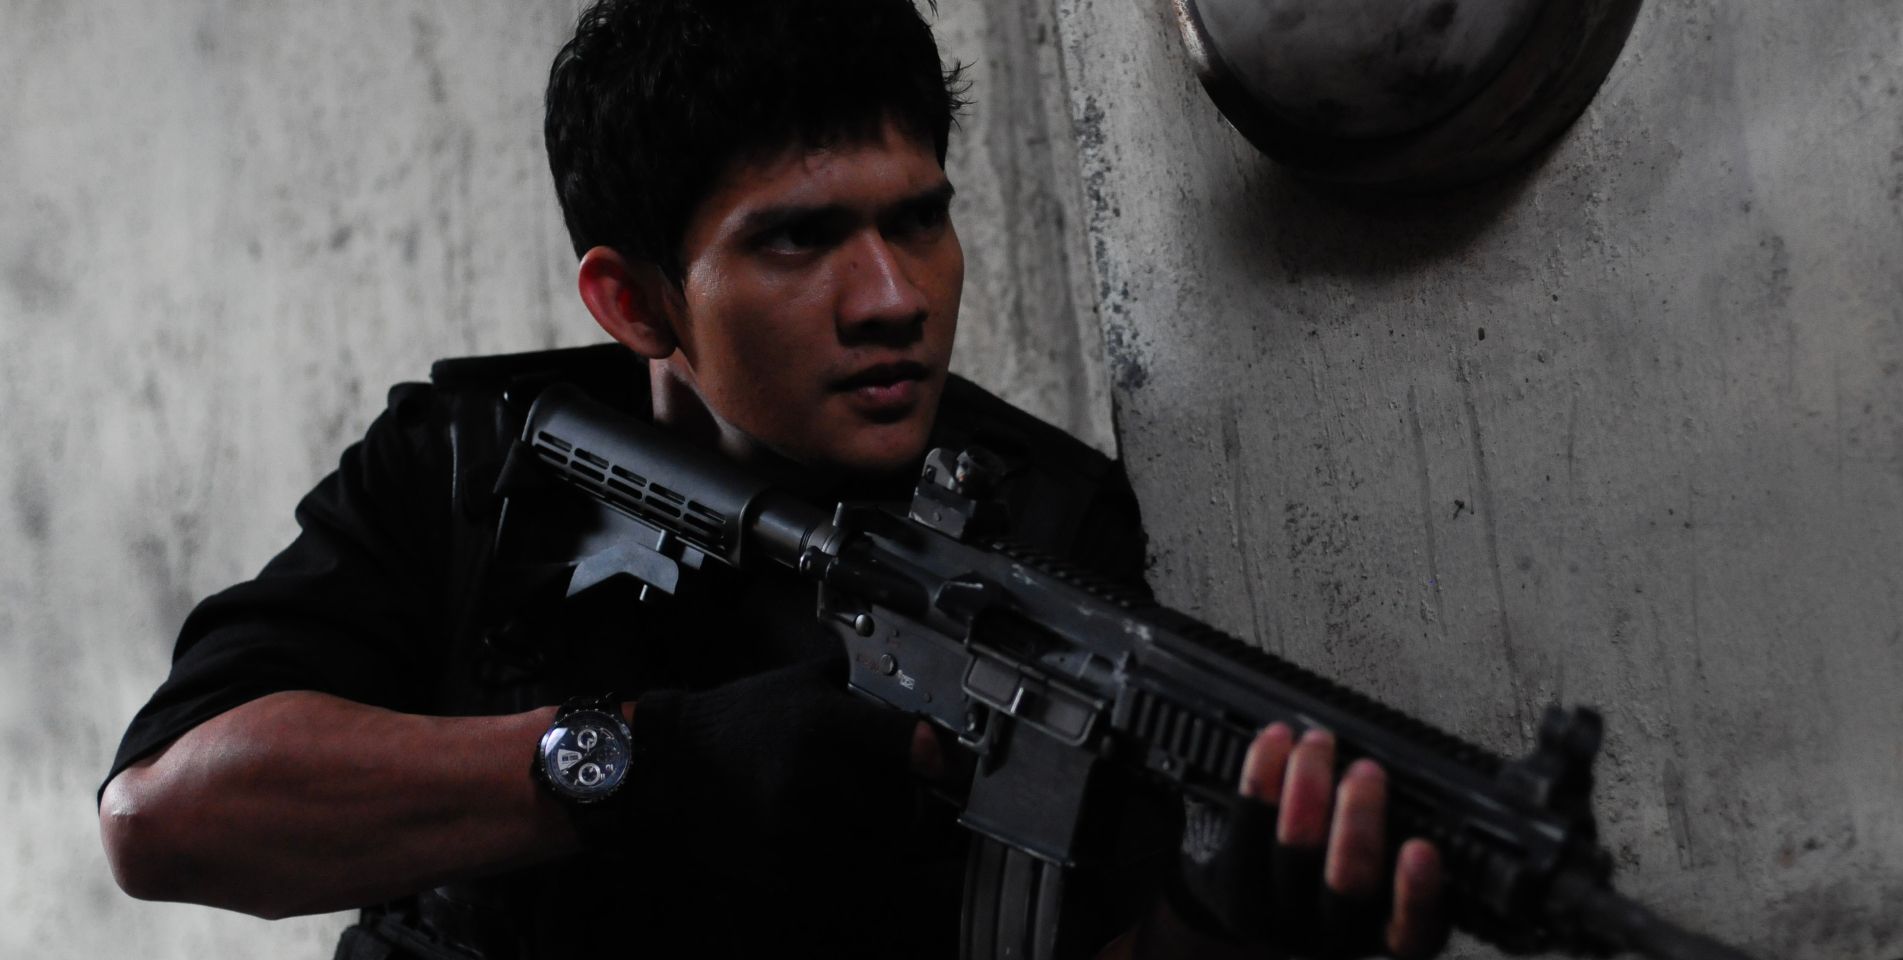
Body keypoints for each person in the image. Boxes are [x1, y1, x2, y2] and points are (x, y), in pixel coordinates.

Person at [98, 1, 1446, 957]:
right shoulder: (474, 457)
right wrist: (641, 764)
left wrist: (1225, 925)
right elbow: (166, 817)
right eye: (800, 242)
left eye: (920, 221)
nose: (892, 298)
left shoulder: (1041, 524)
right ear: (633, 301)